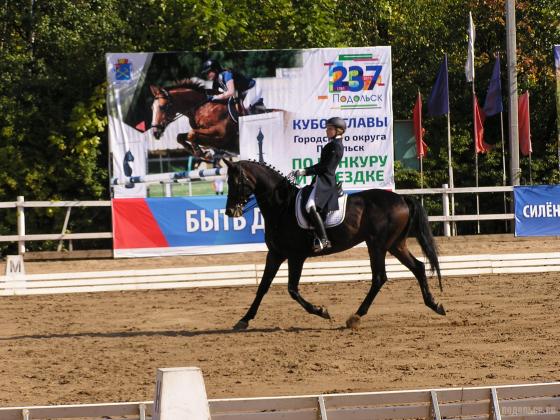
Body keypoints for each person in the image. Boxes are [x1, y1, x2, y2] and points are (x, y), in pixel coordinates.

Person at [290, 117, 346, 252]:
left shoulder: (335, 146)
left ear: (338, 131)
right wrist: (305, 171)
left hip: (326, 182)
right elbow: (321, 165)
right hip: (320, 181)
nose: (327, 131)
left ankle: (324, 239)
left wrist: (304, 171)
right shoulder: (332, 145)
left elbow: (325, 168)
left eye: (330, 129)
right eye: (327, 128)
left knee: (310, 206)